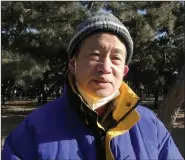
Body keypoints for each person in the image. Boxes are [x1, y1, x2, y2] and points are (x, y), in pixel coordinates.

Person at [2, 12, 183, 160]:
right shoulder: (34, 128)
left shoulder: (150, 124)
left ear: (124, 70)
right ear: (73, 65)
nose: (105, 68)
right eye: (95, 55)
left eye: (115, 58)